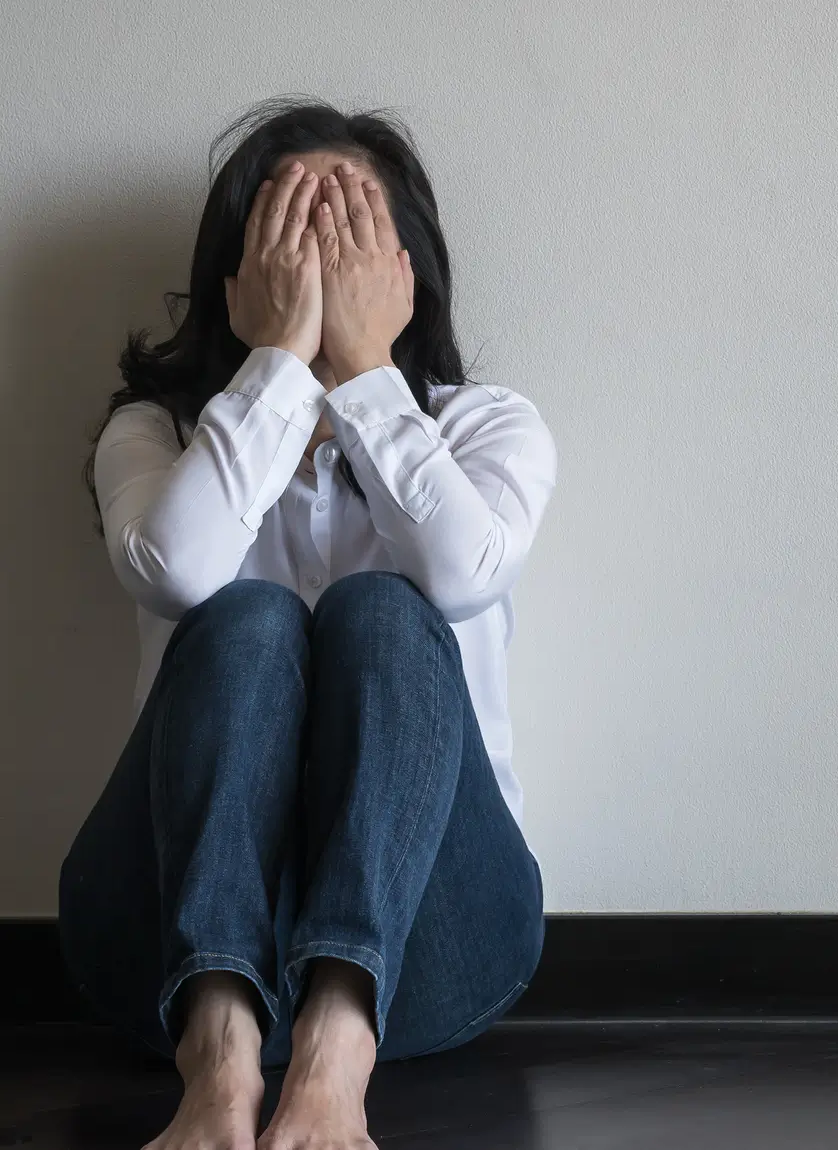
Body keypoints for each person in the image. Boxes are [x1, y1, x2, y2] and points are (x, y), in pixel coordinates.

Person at [57, 99, 558, 1150]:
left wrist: (368, 376)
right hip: (161, 949)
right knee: (247, 615)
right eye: (295, 229)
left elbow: (459, 570)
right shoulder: (153, 433)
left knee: (381, 607)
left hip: (436, 943)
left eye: (353, 232)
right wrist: (280, 363)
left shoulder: (486, 427)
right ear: (239, 272)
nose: (325, 257)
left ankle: (336, 1056)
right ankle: (219, 1060)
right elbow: (176, 564)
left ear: (404, 266)